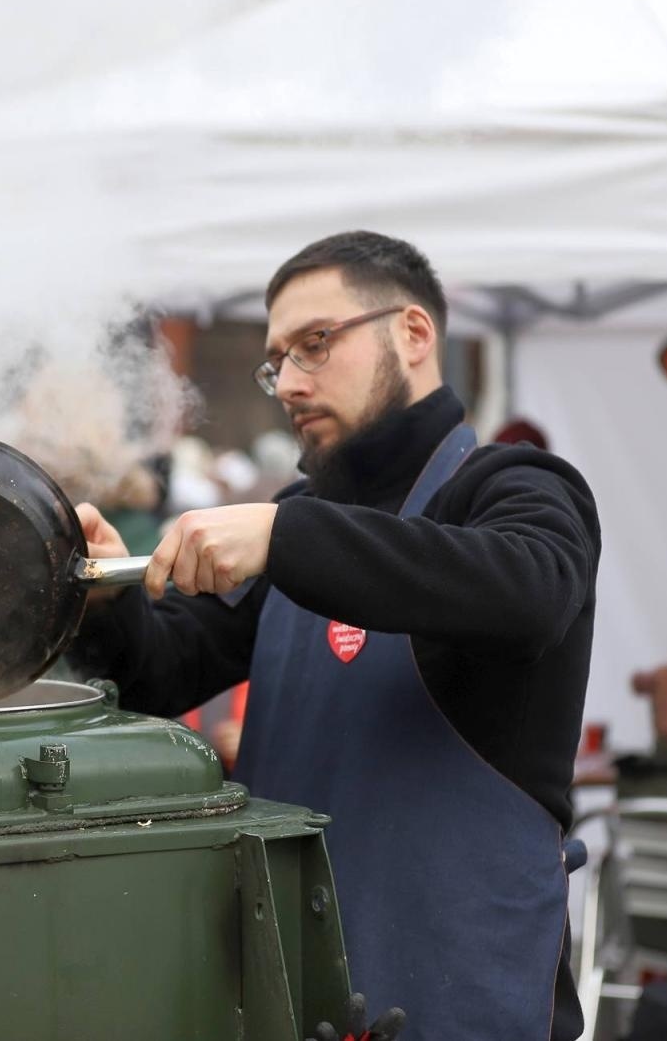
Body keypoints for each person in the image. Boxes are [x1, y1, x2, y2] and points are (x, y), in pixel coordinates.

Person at [73, 230, 601, 1039]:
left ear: (415, 334)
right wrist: (111, 599)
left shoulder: (514, 485)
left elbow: (531, 589)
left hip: (463, 994)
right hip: (293, 989)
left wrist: (285, 540)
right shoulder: (298, 518)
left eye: (314, 345)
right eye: (276, 359)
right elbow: (161, 673)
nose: (288, 381)